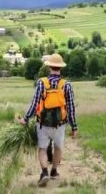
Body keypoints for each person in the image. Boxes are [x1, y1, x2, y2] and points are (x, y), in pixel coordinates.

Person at [19, 53, 78, 187]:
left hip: (43, 123)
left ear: (49, 67)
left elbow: (34, 104)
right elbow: (71, 108)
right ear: (60, 68)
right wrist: (74, 127)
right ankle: (54, 171)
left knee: (42, 148)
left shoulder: (41, 83)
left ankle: (44, 172)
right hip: (60, 124)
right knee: (58, 148)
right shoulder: (66, 85)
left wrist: (26, 119)